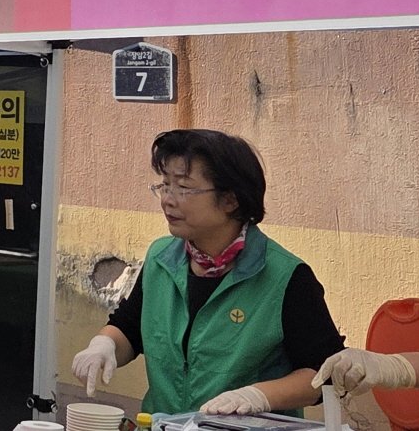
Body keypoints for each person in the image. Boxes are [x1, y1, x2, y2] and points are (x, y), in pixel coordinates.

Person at [71, 129, 345, 416]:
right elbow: (130, 328)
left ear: (230, 200)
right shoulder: (161, 258)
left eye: (184, 187)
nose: (168, 199)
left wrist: (259, 396)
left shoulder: (285, 276)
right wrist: (104, 345)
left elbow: (325, 373)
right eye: (165, 185)